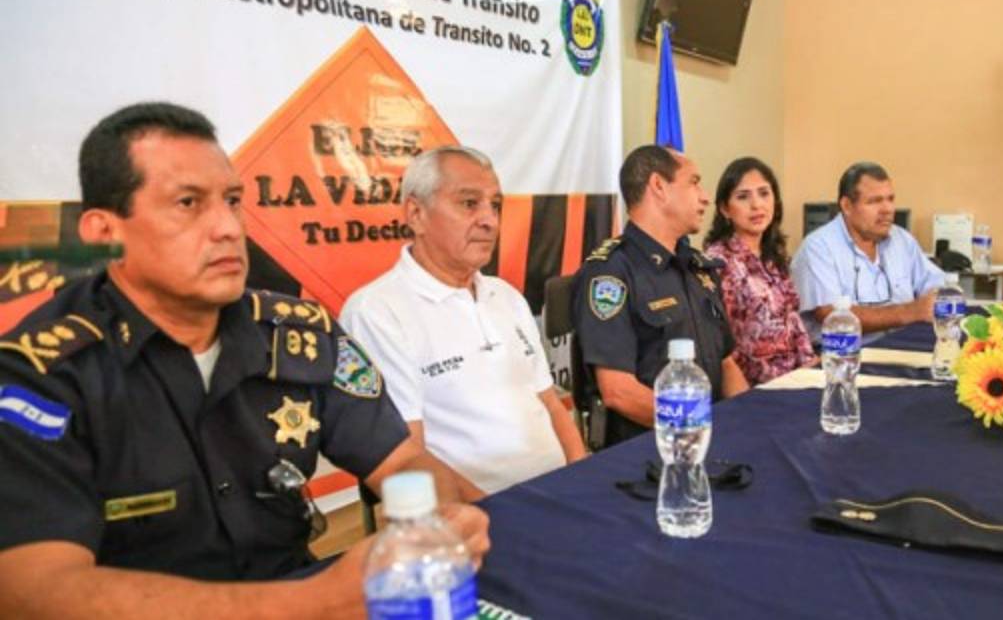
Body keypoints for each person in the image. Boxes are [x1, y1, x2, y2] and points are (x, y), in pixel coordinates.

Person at [0, 102, 488, 619]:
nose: (228, 228)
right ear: (105, 232)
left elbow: (403, 460)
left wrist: (438, 520)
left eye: (232, 201)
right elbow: (32, 591)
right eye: (188, 203)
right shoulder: (40, 375)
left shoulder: (301, 332)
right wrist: (315, 602)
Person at [340, 146, 587, 498]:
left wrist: (582, 476)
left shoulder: (506, 296)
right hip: (479, 515)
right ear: (416, 214)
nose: (490, 221)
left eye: (495, 205)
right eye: (469, 203)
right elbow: (407, 459)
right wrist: (498, 517)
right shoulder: (377, 313)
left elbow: (549, 402)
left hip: (561, 493)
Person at [571, 145, 749, 447]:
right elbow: (618, 391)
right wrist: (698, 426)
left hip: (710, 436)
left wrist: (748, 422)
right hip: (649, 447)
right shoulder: (610, 274)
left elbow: (726, 364)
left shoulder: (698, 268)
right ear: (658, 186)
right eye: (694, 182)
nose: (705, 197)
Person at [790, 161, 944, 336]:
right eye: (875, 201)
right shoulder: (818, 248)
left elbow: (938, 286)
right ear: (847, 206)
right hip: (846, 350)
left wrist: (936, 298)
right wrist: (911, 311)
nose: (887, 209)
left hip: (903, 346)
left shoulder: (902, 240)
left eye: (890, 199)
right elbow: (831, 316)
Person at [703, 157, 816, 385]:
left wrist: (811, 370)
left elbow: (793, 321)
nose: (756, 205)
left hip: (796, 378)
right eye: (743, 197)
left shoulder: (772, 254)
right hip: (756, 386)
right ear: (725, 209)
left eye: (764, 193)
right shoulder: (719, 262)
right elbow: (725, 347)